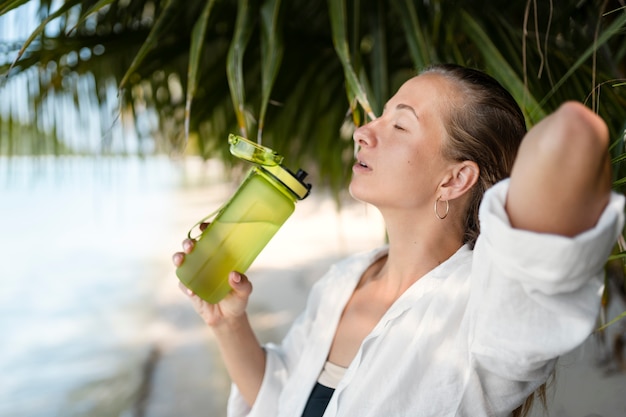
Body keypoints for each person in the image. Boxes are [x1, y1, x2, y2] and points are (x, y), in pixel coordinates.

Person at [172, 63, 625, 417]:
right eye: (379, 117)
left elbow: (575, 135)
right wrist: (228, 322)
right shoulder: (344, 281)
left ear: (455, 178)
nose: (364, 133)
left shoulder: (482, 314)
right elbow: (281, 399)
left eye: (400, 125)